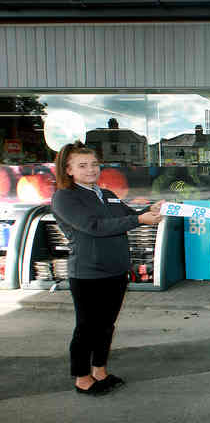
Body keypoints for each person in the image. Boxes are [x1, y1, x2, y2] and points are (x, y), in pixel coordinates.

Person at [51, 141, 163, 396]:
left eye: (94, 164)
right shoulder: (64, 197)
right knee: (87, 327)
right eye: (83, 165)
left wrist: (151, 210)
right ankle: (82, 377)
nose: (91, 170)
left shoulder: (107, 194)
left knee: (106, 325)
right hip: (89, 273)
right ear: (68, 170)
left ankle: (100, 370)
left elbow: (129, 216)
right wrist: (138, 218)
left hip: (116, 270)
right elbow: (94, 226)